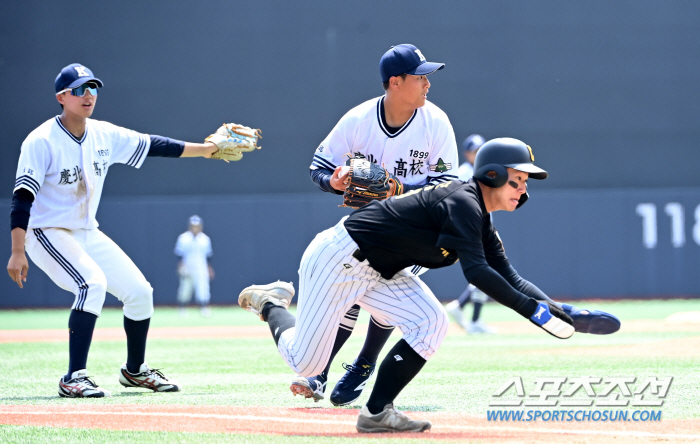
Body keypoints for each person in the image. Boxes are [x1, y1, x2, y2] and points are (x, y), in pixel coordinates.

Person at [238, 138, 617, 433]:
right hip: (338, 259)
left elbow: (510, 277)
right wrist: (532, 313)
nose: (523, 189)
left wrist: (564, 313)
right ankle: (272, 304)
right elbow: (478, 274)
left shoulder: (480, 219)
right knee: (306, 362)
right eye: (517, 179)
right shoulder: (463, 201)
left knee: (431, 322)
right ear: (493, 175)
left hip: (379, 271)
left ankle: (376, 413)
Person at [5, 63, 236, 398]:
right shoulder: (41, 141)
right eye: (79, 89)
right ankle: (74, 376)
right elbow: (22, 197)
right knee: (91, 284)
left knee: (140, 292)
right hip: (46, 232)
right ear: (61, 97)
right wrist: (17, 249)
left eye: (93, 88)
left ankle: (135, 371)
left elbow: (154, 144)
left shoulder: (103, 134)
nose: (88, 95)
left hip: (85, 230)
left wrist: (207, 149)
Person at [302, 44, 459, 405]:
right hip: (373, 224)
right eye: (420, 77)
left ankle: (363, 363)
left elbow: (448, 187)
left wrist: (400, 189)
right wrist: (335, 181)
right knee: (350, 293)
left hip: (421, 228)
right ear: (395, 82)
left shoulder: (435, 122)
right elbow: (318, 167)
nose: (427, 84)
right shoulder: (358, 120)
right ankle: (321, 373)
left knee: (383, 287)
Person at [446, 134, 496, 334]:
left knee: (487, 272)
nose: (478, 154)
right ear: (467, 153)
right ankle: (468, 314)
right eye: (475, 151)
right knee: (486, 271)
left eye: (481, 150)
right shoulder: (464, 172)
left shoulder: (485, 172)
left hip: (482, 228)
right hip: (472, 229)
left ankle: (466, 311)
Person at [175, 215, 214, 317]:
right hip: (187, 267)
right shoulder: (183, 238)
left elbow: (208, 255)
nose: (195, 228)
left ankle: (204, 308)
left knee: (203, 288)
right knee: (185, 289)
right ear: (190, 226)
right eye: (193, 226)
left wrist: (209, 268)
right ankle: (182, 309)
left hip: (201, 267)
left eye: (197, 226)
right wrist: (180, 266)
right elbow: (179, 254)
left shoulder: (205, 239)